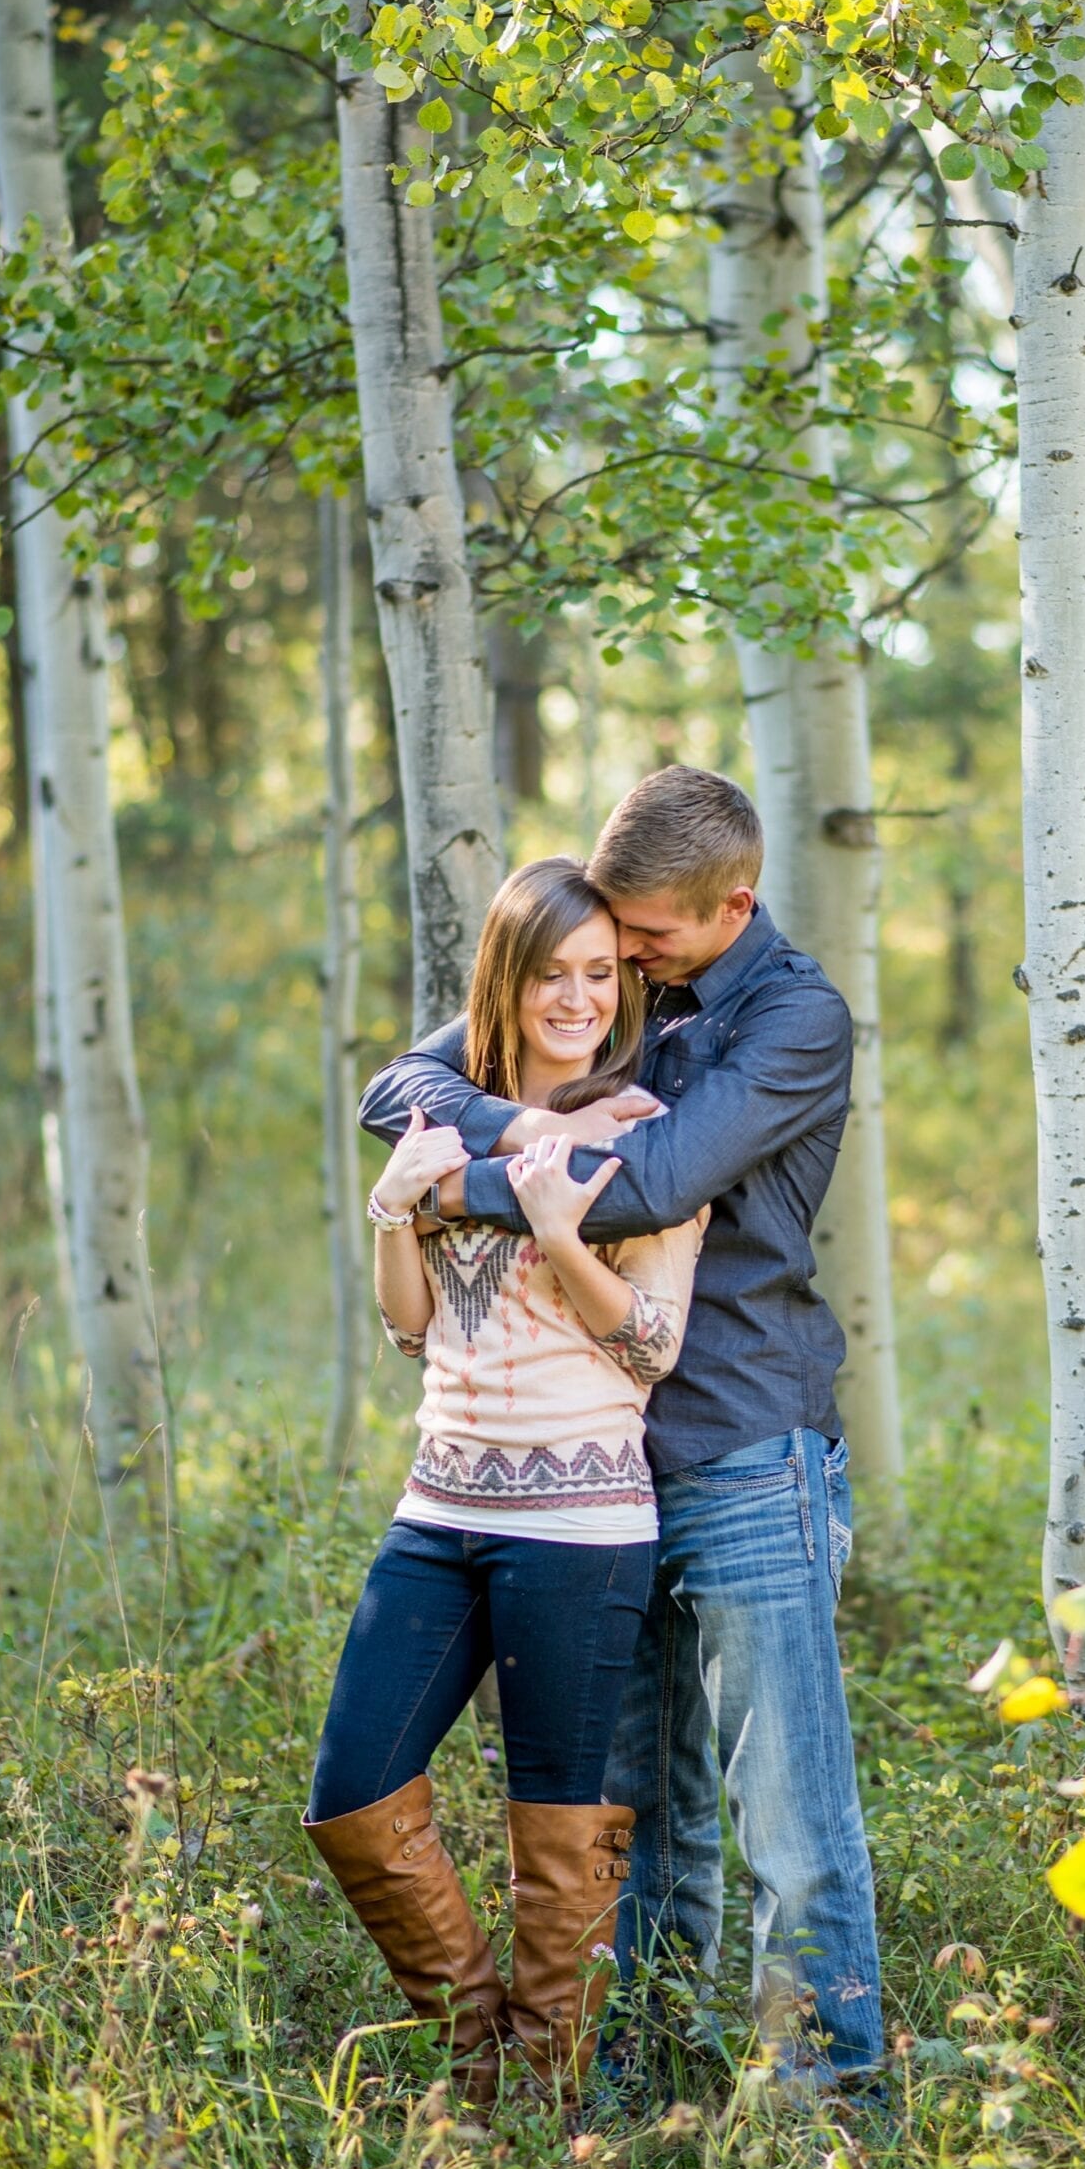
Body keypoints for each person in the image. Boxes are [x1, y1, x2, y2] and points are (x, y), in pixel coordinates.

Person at [359, 768, 885, 2090]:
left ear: (730, 907)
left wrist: (460, 1183)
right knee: (636, 1815)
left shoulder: (796, 1022)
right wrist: (525, 1128)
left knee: (787, 1820)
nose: (622, 965)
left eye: (643, 940)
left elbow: (644, 1181)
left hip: (744, 1449)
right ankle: (649, 2071)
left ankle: (828, 2111)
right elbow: (398, 1083)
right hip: (603, 1484)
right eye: (612, 941)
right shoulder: (634, 995)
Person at [304, 857, 705, 2106]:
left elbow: (652, 1345)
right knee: (353, 1791)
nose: (577, 998)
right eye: (552, 975)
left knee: (559, 1833)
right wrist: (392, 1218)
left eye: (599, 973)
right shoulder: (449, 1115)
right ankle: (479, 2054)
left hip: (581, 1525)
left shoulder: (645, 1127)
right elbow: (415, 1331)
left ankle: (547, 2100)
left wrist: (554, 1232)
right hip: (439, 1505)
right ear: (506, 980)